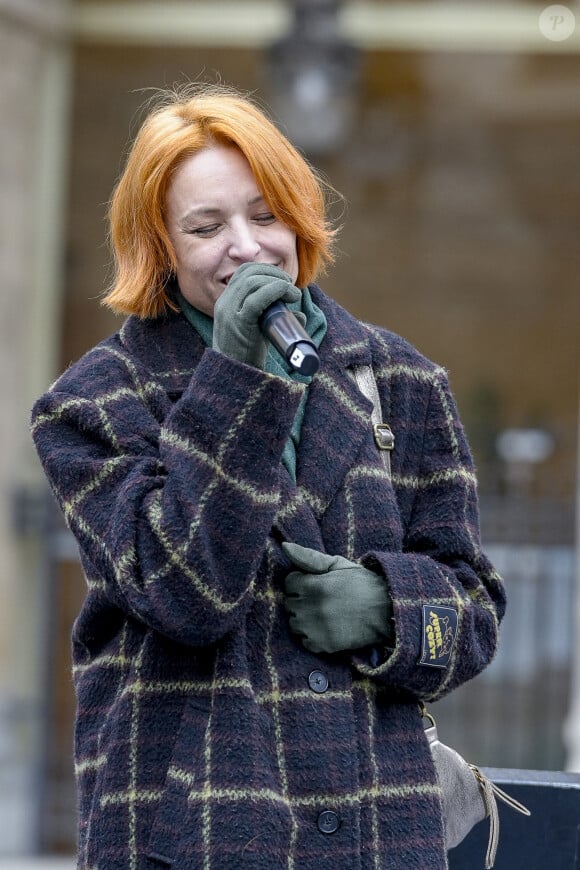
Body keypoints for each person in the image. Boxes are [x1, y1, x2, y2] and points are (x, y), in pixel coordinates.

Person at [31, 84, 505, 870]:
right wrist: (236, 378)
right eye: (206, 227)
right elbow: (187, 591)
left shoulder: (402, 379)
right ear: (162, 248)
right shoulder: (94, 402)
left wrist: (388, 607)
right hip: (194, 836)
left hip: (375, 834)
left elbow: (475, 612)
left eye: (265, 214)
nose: (245, 248)